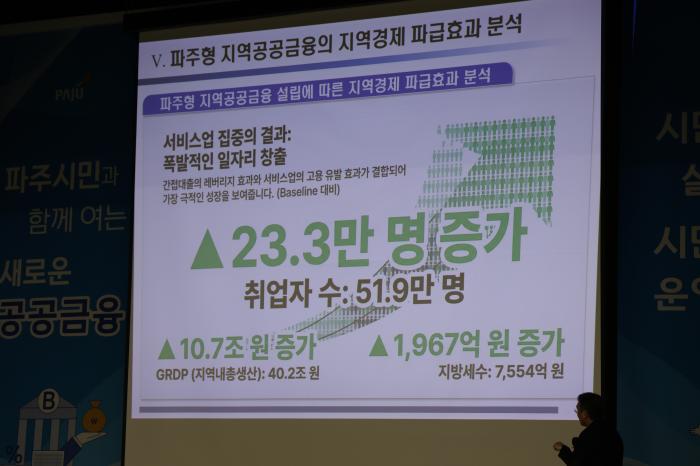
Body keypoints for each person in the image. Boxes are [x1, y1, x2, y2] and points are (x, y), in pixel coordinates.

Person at [553, 392, 624, 466]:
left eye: (577, 410)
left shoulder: (588, 435)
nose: (577, 414)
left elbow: (576, 463)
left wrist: (563, 449)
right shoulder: (613, 433)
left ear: (584, 414)